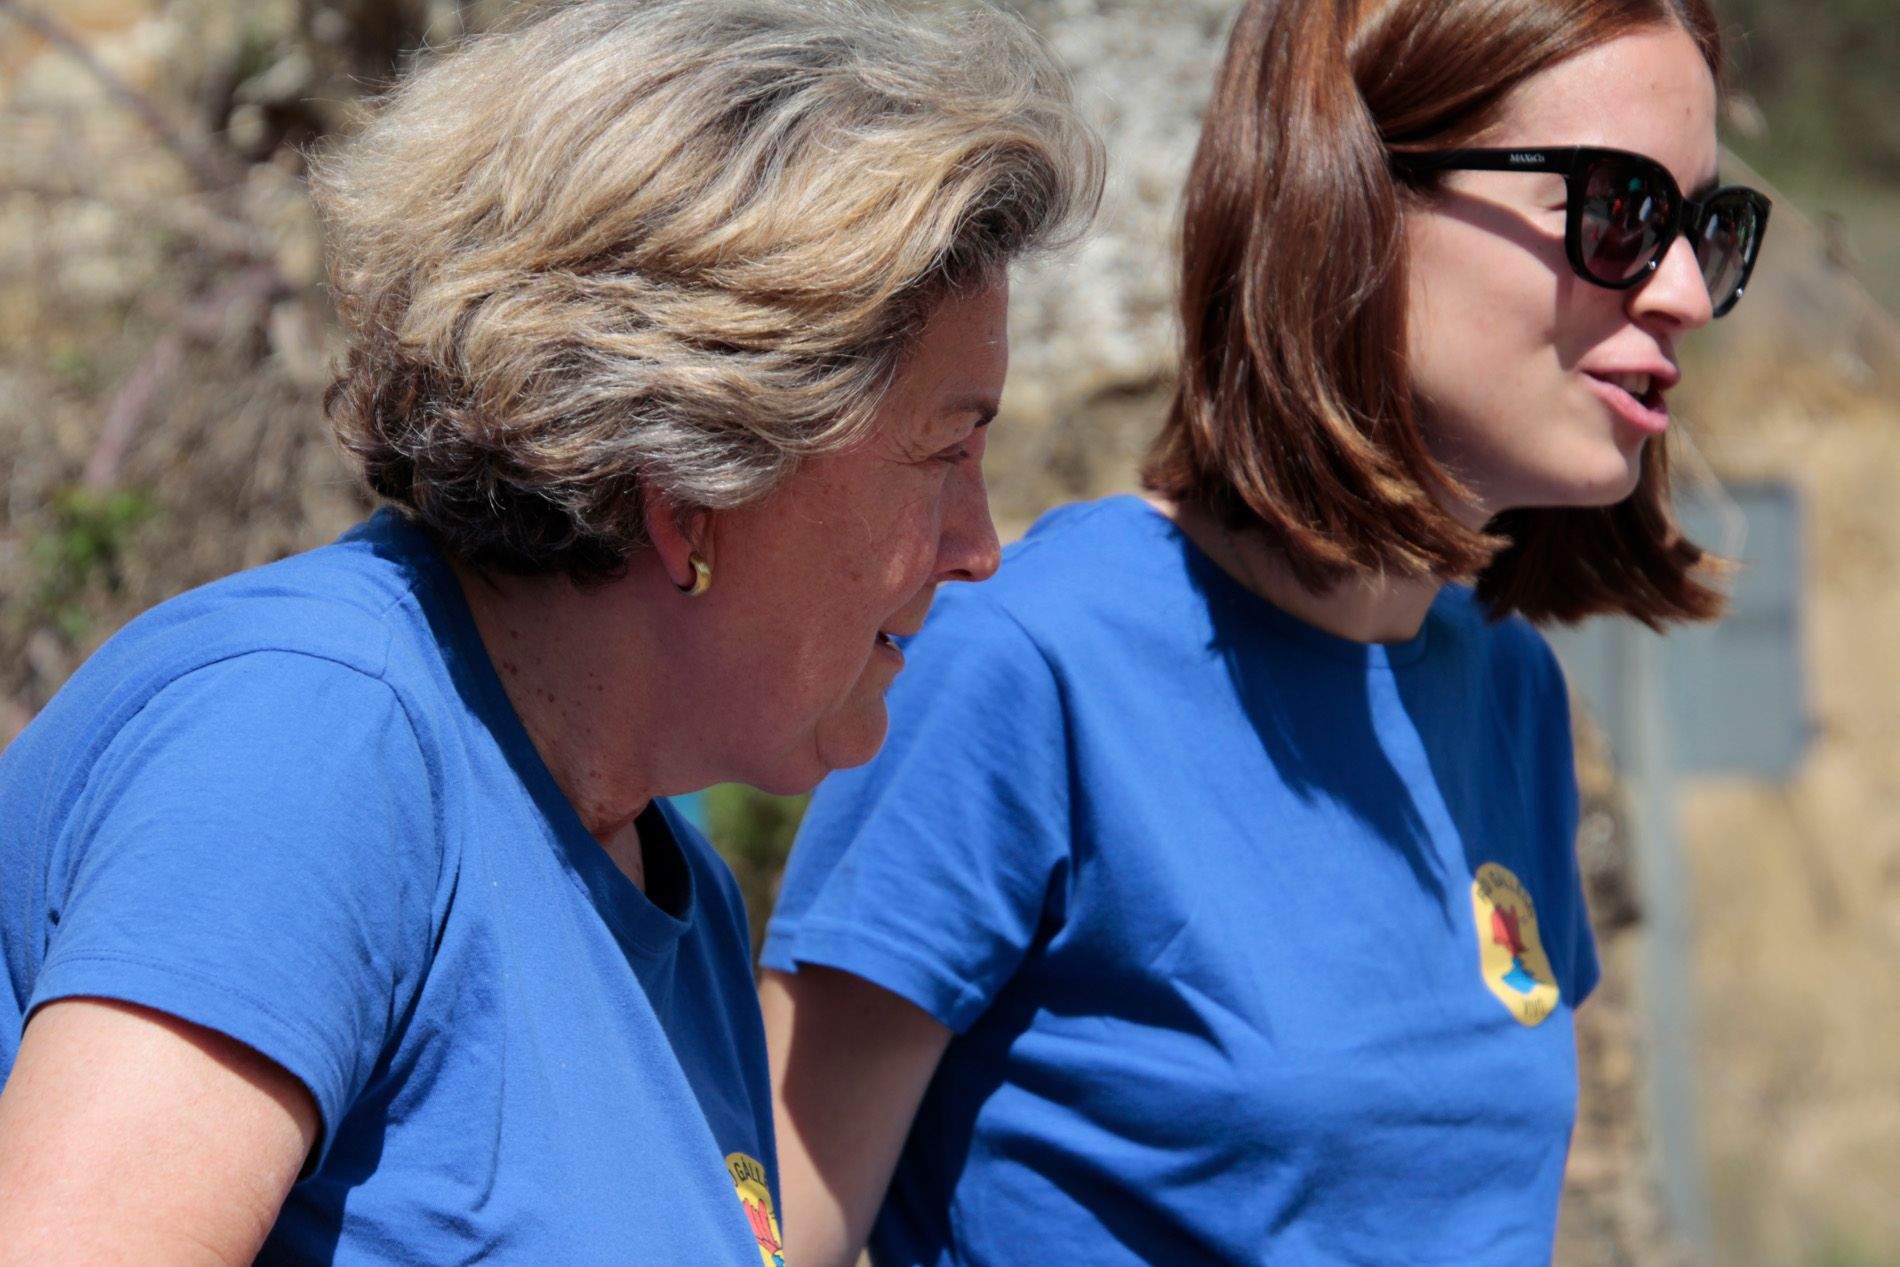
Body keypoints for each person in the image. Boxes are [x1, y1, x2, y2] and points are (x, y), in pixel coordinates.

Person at [0, 1, 1100, 1261]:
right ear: (699, 486)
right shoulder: (309, 740)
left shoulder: (667, 888)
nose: (980, 545)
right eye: (946, 451)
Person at [758, 0, 1770, 1262]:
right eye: (1618, 210)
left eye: (1704, 228)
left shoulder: (1506, 691)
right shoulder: (1028, 663)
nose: (1681, 290)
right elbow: (772, 1219)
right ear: (1353, 193)